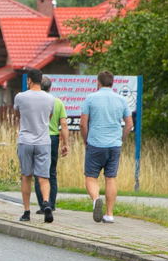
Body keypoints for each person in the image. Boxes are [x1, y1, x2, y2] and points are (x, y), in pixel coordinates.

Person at [80, 70, 133, 223]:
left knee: (91, 177)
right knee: (111, 178)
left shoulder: (90, 98)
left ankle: (96, 200)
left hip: (95, 143)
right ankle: (109, 214)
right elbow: (129, 124)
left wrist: (86, 140)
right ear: (113, 83)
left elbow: (83, 123)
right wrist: (121, 138)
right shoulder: (121, 100)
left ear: (98, 82)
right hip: (114, 144)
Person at [13, 68, 55, 223]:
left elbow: (18, 115)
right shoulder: (50, 99)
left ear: (29, 80)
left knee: (26, 176)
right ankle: (46, 202)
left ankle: (26, 211)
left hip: (26, 141)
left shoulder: (20, 97)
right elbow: (49, 118)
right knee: (44, 177)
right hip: (43, 141)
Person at [34, 75, 70, 214]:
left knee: (39, 173)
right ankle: (52, 204)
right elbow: (64, 124)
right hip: (53, 139)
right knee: (51, 173)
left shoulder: (35, 102)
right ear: (50, 87)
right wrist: (65, 143)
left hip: (38, 137)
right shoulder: (58, 102)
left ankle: (43, 204)